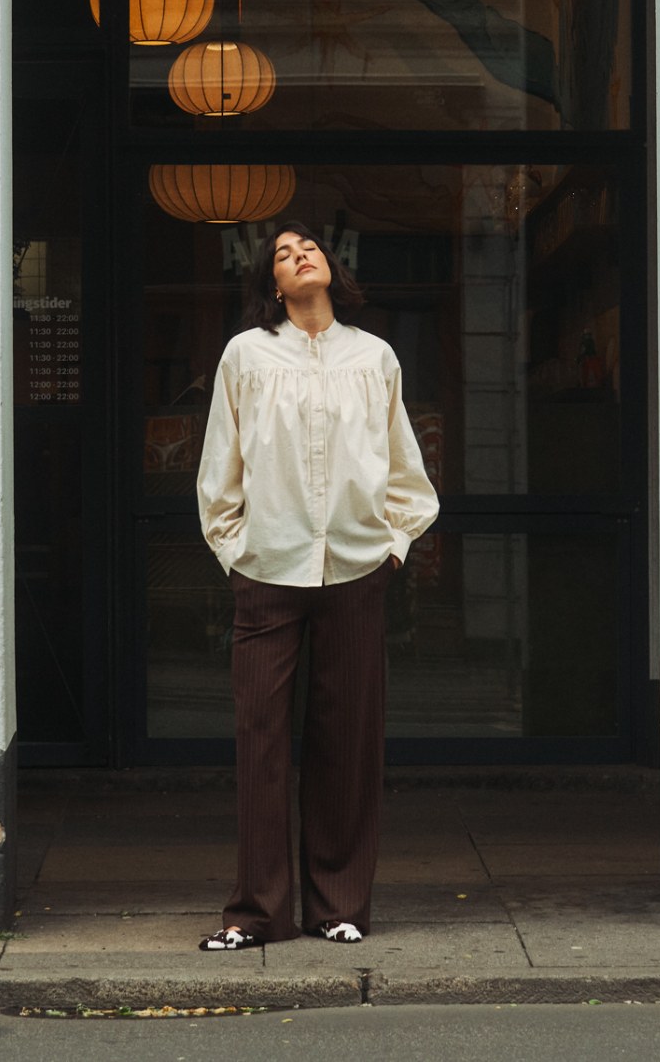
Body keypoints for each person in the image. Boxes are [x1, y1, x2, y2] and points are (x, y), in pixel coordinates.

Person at [194, 219, 439, 949]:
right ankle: (258, 913)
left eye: (309, 248)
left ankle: (338, 905)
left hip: (357, 572)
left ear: (332, 267)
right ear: (272, 283)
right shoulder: (247, 354)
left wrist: (393, 545)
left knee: (347, 745)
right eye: (282, 253)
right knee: (260, 742)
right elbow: (219, 468)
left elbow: (407, 472)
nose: (299, 256)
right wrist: (236, 550)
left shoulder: (375, 356)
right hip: (267, 574)